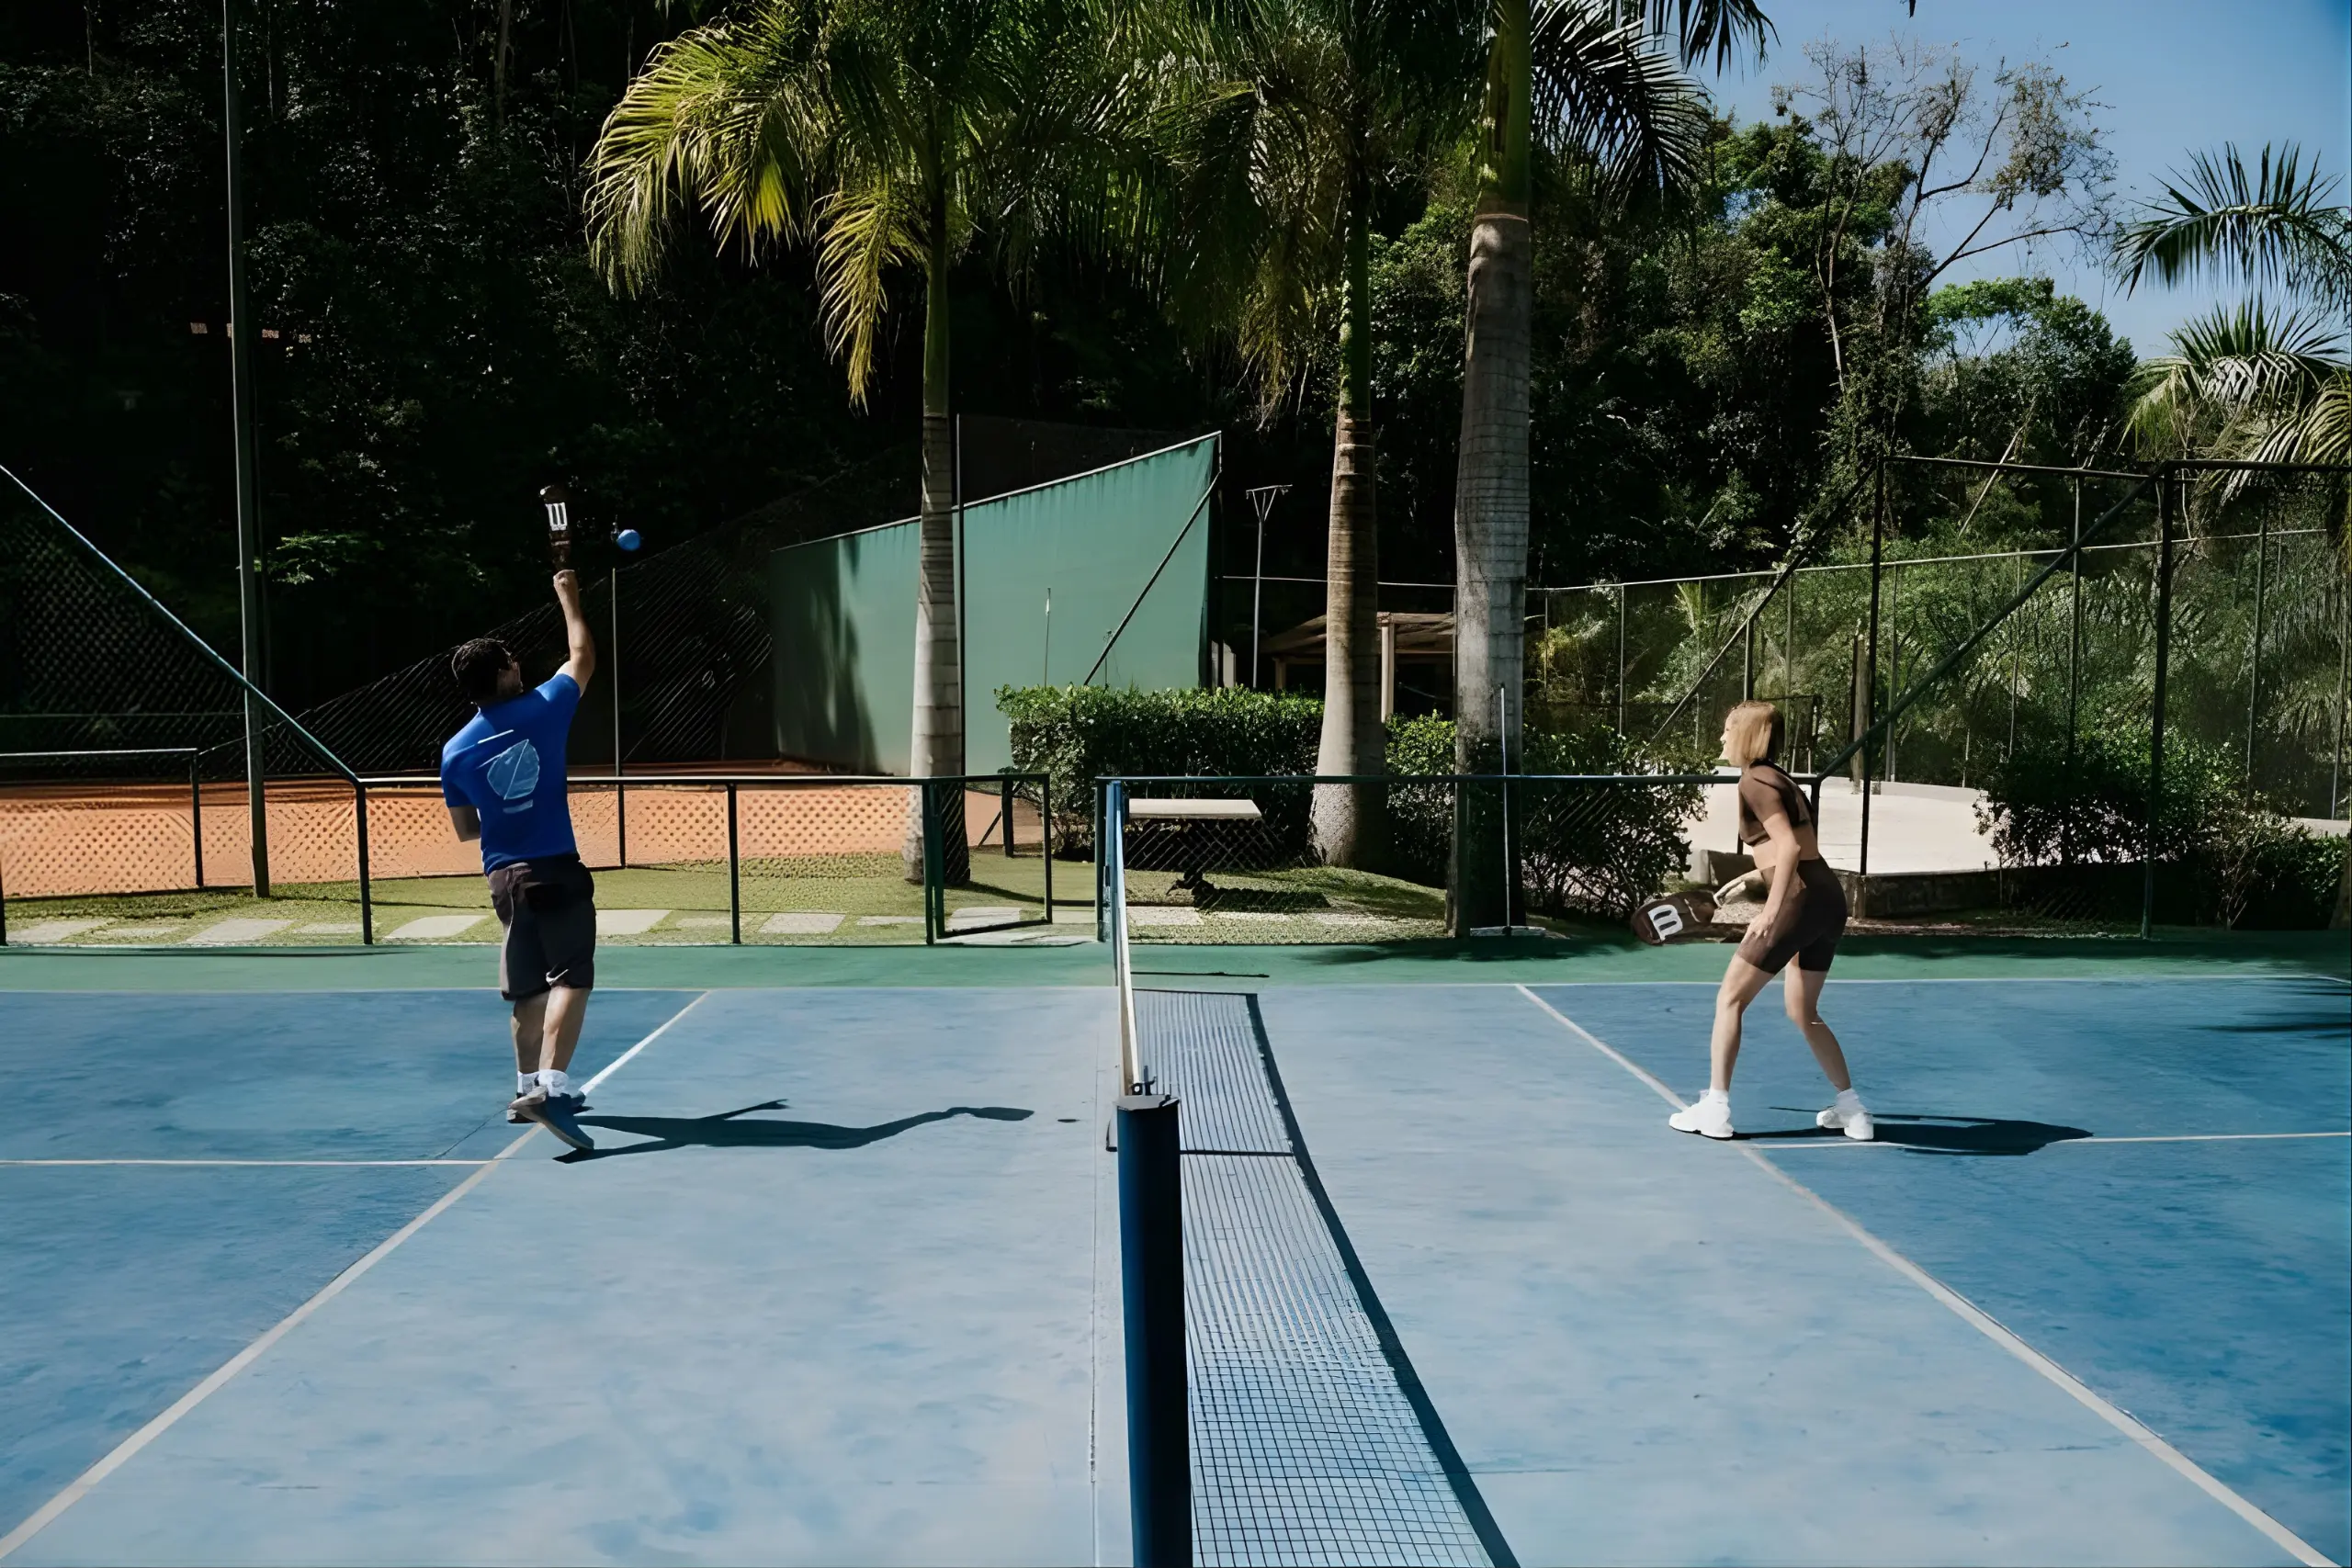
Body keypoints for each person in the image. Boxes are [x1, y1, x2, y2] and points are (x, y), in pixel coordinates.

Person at [441, 570, 599, 1153]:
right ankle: (551, 1091)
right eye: (512, 659)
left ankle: (523, 1089)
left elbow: (465, 830)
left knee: (528, 989)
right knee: (571, 978)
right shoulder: (545, 707)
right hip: (555, 869)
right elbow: (581, 653)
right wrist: (568, 595)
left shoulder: (454, 751)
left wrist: (507, 815)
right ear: (504, 673)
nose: (519, 664)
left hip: (502, 878)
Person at [1668, 700, 1873, 1143]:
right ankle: (1854, 1111)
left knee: (1730, 1000)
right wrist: (1747, 882)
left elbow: (1788, 850)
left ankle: (1716, 1110)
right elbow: (1799, 851)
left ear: (1745, 735)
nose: (1722, 737)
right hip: (1827, 898)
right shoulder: (1780, 779)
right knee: (1803, 1010)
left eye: (1727, 729)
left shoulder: (1753, 781)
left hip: (1798, 901)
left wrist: (1770, 910)